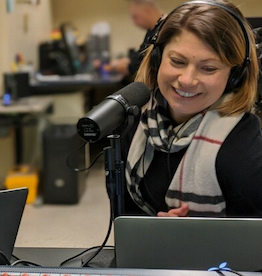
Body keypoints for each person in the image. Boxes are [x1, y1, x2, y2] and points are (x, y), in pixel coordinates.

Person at [122, 0, 262, 217]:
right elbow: (124, 219)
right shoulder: (134, 124)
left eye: (208, 68)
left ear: (234, 76)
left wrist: (196, 234)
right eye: (177, 61)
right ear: (157, 59)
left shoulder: (243, 147)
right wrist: (155, 231)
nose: (187, 80)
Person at [105, 0, 165, 79]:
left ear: (147, 11)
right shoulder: (152, 30)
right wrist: (116, 63)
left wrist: (118, 67)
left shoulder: (163, 30)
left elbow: (141, 65)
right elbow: (139, 56)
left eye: (135, 17)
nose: (135, 23)